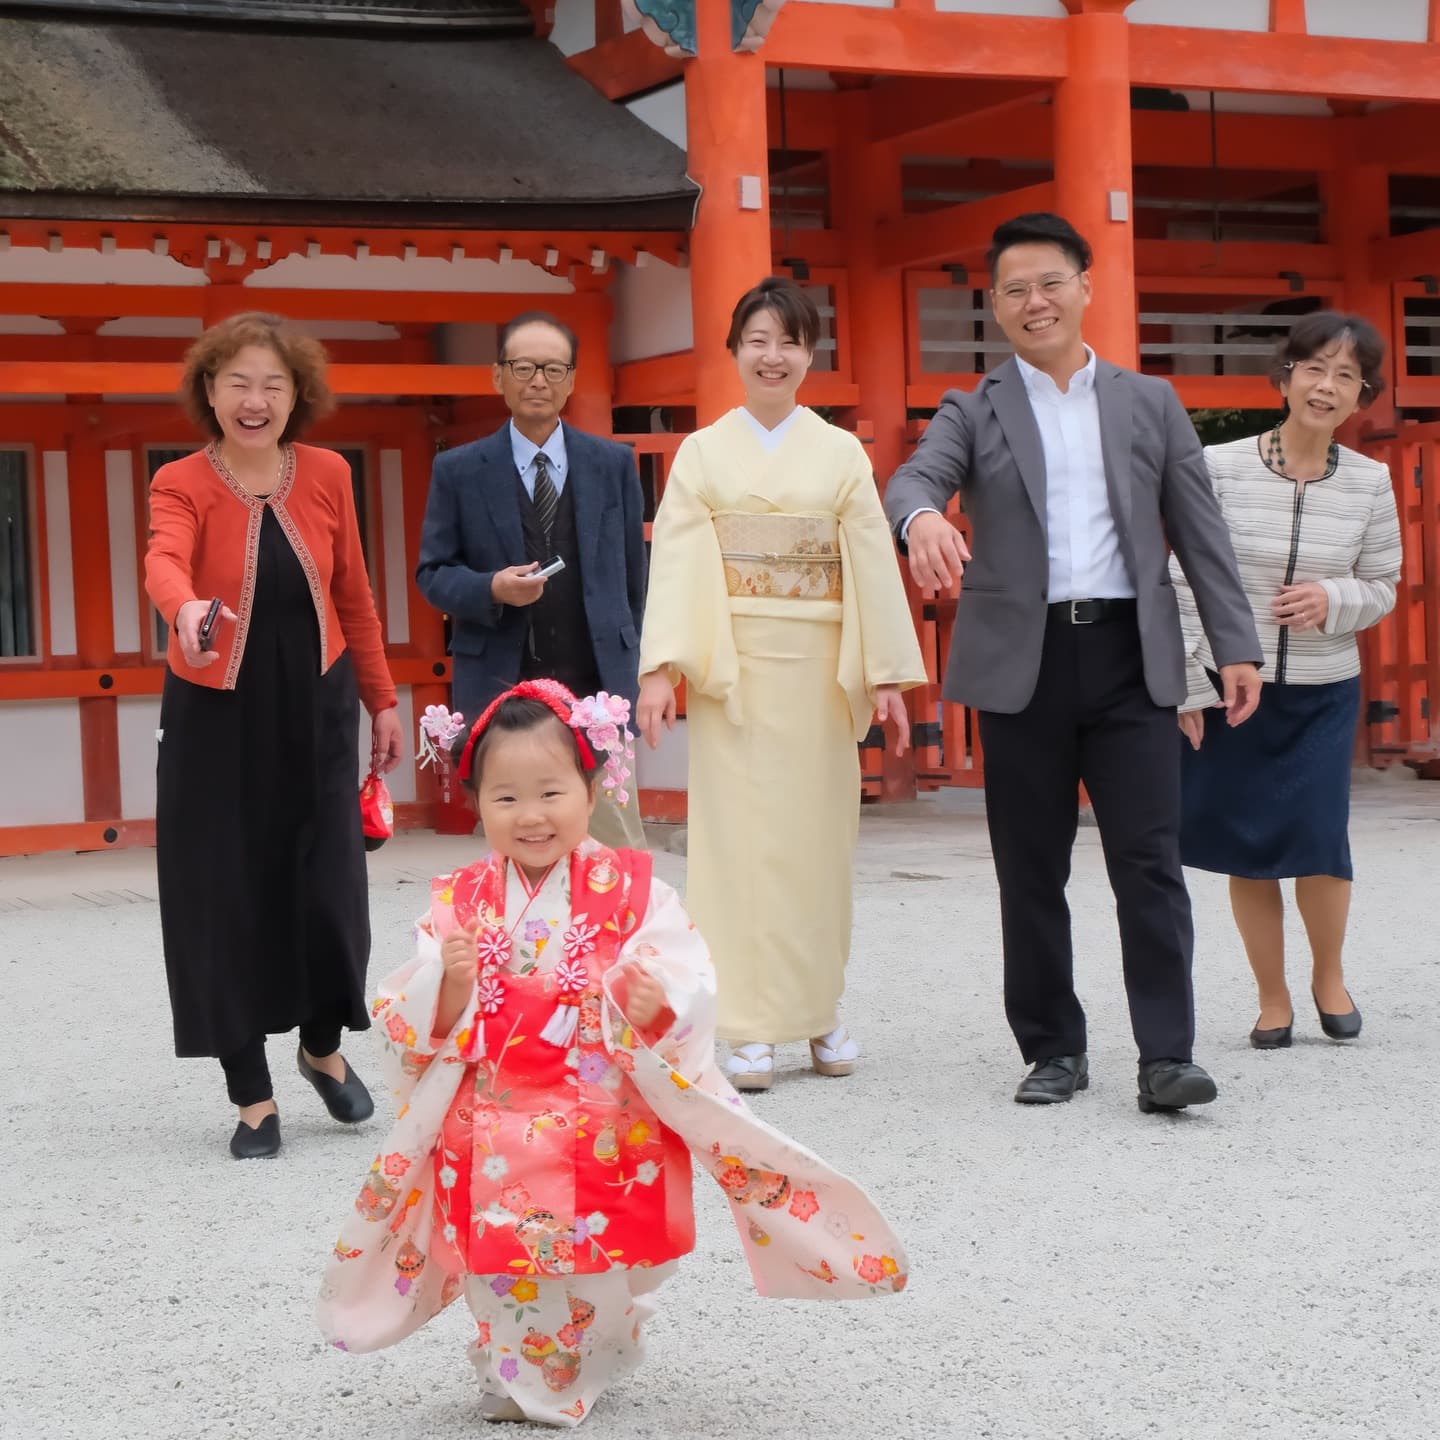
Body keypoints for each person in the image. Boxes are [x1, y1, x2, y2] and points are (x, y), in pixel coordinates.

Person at [316, 681, 907, 1428]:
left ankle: (579, 1356)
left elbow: (685, 974)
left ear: (592, 787)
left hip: (599, 1115)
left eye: (551, 792)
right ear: (475, 802)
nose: (530, 816)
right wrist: (448, 982)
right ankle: (525, 1368)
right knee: (501, 1263)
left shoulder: (632, 892)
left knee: (596, 1260)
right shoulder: (459, 900)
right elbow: (408, 1016)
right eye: (505, 799)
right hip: (491, 1119)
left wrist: (654, 1001)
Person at [884, 213, 1264, 1114]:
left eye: (1050, 281)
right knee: (1030, 865)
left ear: (1087, 287)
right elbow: (911, 478)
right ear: (996, 305)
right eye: (1014, 289)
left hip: (1134, 656)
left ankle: (1166, 1054)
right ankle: (1053, 1047)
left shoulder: (1148, 402)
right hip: (1025, 662)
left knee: (1149, 859)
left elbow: (1199, 530)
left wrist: (1235, 646)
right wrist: (925, 517)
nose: (1034, 301)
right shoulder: (972, 409)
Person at [634, 278, 926, 1092]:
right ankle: (750, 1025)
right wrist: (662, 668)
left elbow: (868, 561)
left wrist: (887, 677)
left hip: (821, 673)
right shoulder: (702, 453)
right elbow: (682, 561)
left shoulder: (838, 455)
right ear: (734, 352)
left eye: (789, 341)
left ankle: (820, 1011)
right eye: (757, 340)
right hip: (734, 675)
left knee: (818, 847)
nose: (773, 355)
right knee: (737, 852)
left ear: (809, 355)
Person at [145, 312, 402, 1159]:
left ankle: (321, 1044)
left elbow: (356, 596)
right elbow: (164, 558)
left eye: (273, 384)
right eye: (237, 383)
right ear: (209, 393)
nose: (255, 400)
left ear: (299, 394)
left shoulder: (326, 472)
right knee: (223, 896)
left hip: (318, 708)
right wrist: (183, 608)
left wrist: (383, 701)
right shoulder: (179, 479)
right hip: (215, 719)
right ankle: (251, 1097)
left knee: (330, 891)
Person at [1174, 313, 1402, 1049]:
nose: (1326, 386)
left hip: (1323, 688)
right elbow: (1181, 577)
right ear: (1286, 376)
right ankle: (1272, 999)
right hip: (1235, 687)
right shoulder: (1219, 466)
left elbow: (1385, 584)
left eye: (1346, 376)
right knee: (1249, 844)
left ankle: (1327, 976)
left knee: (1319, 839)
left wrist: (1333, 600)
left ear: (1361, 397)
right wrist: (1189, 682)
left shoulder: (1371, 482)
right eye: (1314, 368)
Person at [415, 311, 647, 850]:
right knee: (516, 835)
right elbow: (432, 574)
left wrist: (637, 669)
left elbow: (636, 580)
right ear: (498, 377)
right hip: (501, 680)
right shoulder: (460, 469)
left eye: (551, 368)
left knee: (611, 842)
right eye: (522, 366)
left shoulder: (613, 465)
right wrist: (491, 588)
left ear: (571, 379)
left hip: (595, 686)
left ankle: (616, 935)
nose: (537, 380)